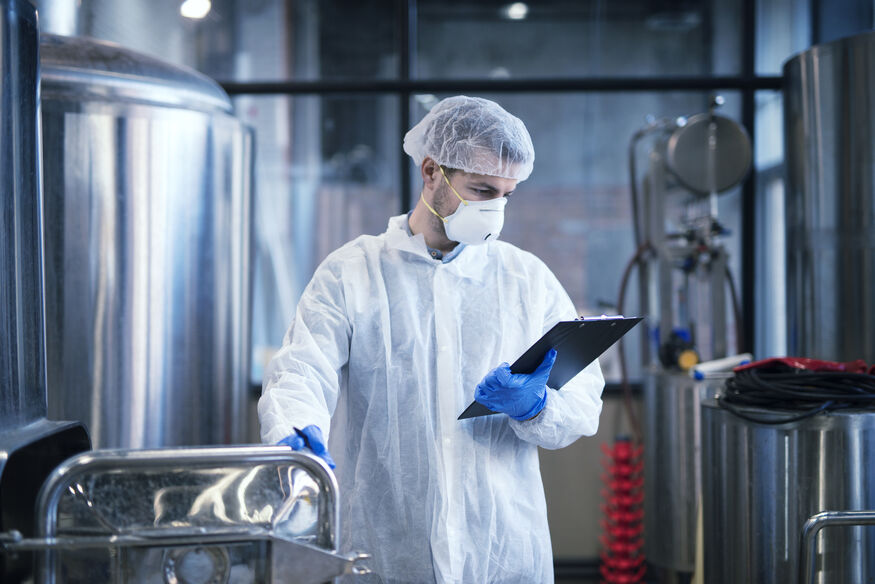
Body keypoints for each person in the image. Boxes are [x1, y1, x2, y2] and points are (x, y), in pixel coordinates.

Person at [258, 95, 605, 583]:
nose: (494, 209)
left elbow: (584, 401)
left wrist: (536, 407)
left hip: (500, 547)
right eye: (481, 189)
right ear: (430, 172)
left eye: (506, 195)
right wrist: (296, 434)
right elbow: (301, 369)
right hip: (385, 545)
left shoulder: (525, 280)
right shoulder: (354, 271)